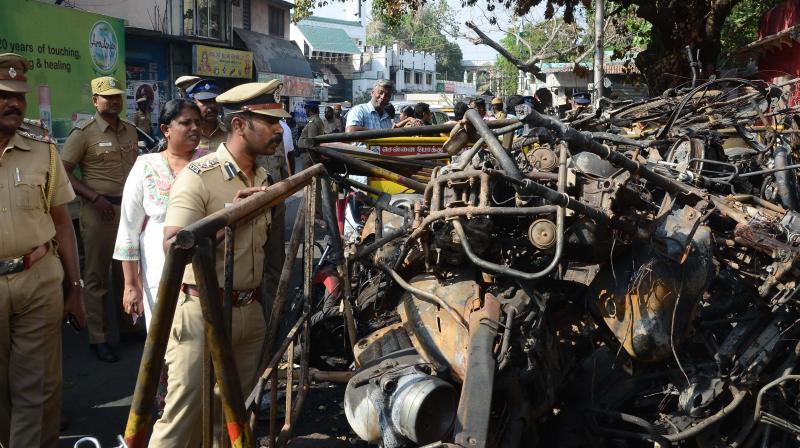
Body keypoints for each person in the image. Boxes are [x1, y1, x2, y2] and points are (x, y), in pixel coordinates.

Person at [149, 81, 289, 446]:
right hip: (202, 311)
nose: (279, 130)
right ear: (239, 124)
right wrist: (230, 218)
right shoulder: (199, 177)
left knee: (233, 420)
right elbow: (173, 246)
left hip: (249, 311)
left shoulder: (264, 177)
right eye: (269, 122)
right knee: (182, 419)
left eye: (279, 122)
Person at [0, 53, 85, 448]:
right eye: (3, 94)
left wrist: (76, 286)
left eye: (19, 95)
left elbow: (63, 222)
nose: (13, 103)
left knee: (33, 384)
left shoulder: (43, 151)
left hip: (37, 278)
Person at [62, 76, 139, 363]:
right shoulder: (83, 133)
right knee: (96, 277)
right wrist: (94, 198)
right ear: (95, 101)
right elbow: (63, 171)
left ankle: (128, 327)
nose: (115, 101)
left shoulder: (130, 131)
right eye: (108, 97)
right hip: (98, 212)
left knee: (125, 272)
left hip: (127, 212)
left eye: (118, 96)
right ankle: (99, 338)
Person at [113, 99, 208, 330]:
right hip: (157, 270)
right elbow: (128, 228)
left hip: (203, 267)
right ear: (166, 130)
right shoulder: (146, 165)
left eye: (197, 122)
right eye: (186, 123)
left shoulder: (209, 162)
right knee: (162, 337)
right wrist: (131, 284)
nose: (194, 128)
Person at [186, 78, 224, 152]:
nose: (212, 106)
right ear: (194, 103)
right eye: (205, 101)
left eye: (215, 101)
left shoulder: (230, 132)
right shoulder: (187, 134)